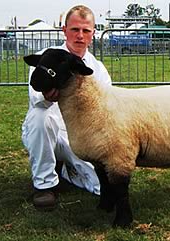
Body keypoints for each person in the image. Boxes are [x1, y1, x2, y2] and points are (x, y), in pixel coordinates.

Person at [22, 5, 112, 211]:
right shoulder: (46, 58)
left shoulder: (97, 69)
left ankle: (64, 169)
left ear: (93, 33)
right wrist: (47, 97)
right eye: (75, 29)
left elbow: (105, 109)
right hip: (48, 131)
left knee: (100, 186)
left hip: (80, 137)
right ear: (64, 30)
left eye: (86, 30)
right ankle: (44, 185)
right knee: (40, 116)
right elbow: (36, 98)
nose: (80, 36)